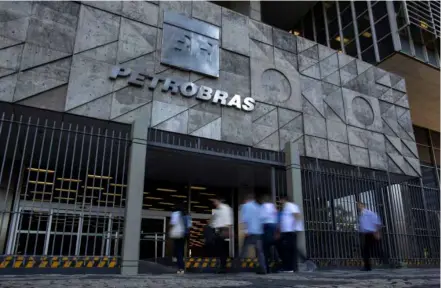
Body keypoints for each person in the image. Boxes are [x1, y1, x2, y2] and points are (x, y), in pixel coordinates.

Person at [236, 193, 266, 274]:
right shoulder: (258, 207)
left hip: (250, 232)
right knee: (260, 252)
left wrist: (245, 231)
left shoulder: (245, 206)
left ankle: (237, 267)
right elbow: (261, 219)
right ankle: (263, 269)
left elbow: (245, 219)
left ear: (247, 200)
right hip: (258, 233)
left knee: (243, 250)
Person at [278, 195, 301, 272]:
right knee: (290, 249)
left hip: (290, 231)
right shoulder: (286, 207)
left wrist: (294, 226)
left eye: (280, 200)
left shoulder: (290, 205)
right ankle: (292, 267)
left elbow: (297, 215)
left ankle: (290, 268)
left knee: (289, 249)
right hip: (287, 231)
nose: (279, 202)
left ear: (284, 199)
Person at [210, 197, 233, 273]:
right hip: (219, 230)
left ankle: (223, 267)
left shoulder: (225, 208)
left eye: (215, 201)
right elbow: (214, 221)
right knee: (220, 249)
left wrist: (228, 230)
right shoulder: (218, 210)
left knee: (222, 249)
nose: (214, 203)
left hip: (224, 230)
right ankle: (222, 266)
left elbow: (228, 220)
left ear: (219, 201)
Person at [357, 202, 382, 271]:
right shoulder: (361, 215)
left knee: (370, 250)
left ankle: (368, 267)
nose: (358, 206)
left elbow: (377, 222)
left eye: (359, 205)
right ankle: (367, 266)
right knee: (367, 250)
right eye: (358, 205)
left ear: (363, 205)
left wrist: (376, 232)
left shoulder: (370, 213)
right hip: (366, 234)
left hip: (371, 233)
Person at [260, 194, 278, 273]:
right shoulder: (273, 206)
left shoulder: (263, 206)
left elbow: (261, 217)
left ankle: (266, 268)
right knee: (274, 246)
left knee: (265, 248)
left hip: (266, 227)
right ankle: (275, 265)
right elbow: (276, 217)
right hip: (273, 227)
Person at [169, 203, 187, 274]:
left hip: (177, 234)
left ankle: (180, 268)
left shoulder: (175, 214)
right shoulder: (185, 214)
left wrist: (170, 229)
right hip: (183, 234)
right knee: (180, 251)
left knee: (178, 251)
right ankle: (181, 267)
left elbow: (173, 223)